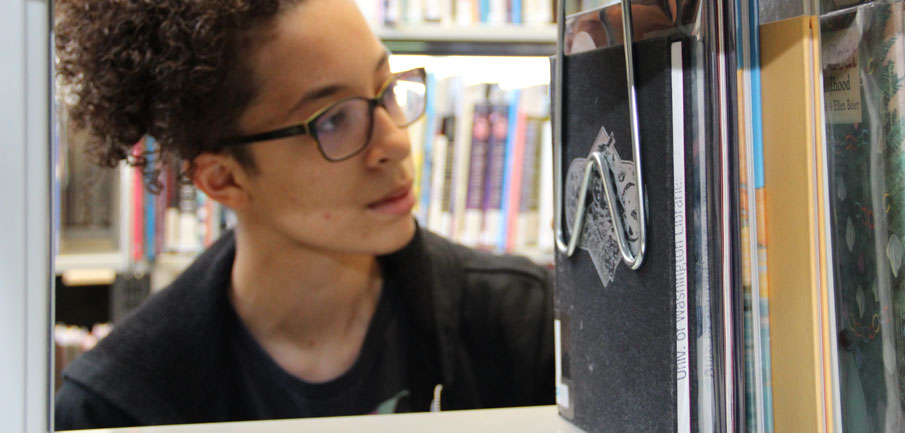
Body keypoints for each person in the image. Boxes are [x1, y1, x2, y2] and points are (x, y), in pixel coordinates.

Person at [53, 0, 554, 429]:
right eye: (334, 120)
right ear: (223, 179)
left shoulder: (524, 326)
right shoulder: (117, 406)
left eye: (386, 90)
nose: (397, 143)